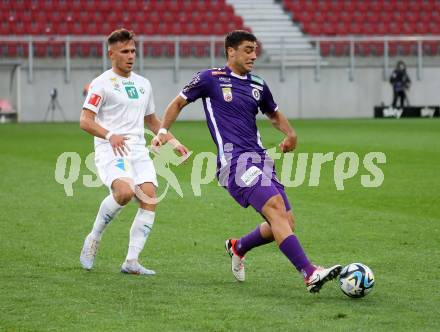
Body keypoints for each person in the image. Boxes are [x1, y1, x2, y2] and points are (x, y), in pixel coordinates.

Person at [152, 30, 341, 293]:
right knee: (275, 207)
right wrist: (163, 132)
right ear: (231, 51)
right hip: (234, 162)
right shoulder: (210, 78)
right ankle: (310, 273)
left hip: (261, 159)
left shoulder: (258, 84)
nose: (254, 55)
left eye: (255, 50)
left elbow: (272, 113)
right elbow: (178, 103)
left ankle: (238, 247)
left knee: (285, 222)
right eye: (248, 50)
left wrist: (290, 133)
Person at [79, 29, 188, 275]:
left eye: (133, 51)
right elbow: (85, 121)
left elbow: (151, 120)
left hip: (138, 148)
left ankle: (131, 261)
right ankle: (94, 238)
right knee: (125, 192)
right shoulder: (101, 83)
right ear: (111, 53)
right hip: (111, 147)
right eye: (125, 51)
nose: (130, 56)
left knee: (149, 196)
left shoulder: (143, 84)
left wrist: (172, 141)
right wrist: (109, 134)